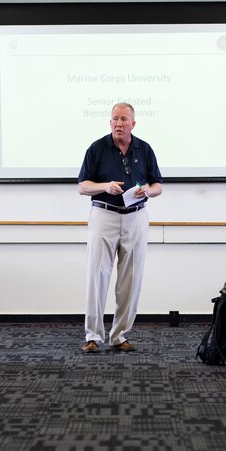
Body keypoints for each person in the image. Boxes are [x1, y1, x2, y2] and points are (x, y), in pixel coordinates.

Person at [77, 102, 163, 353]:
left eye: (124, 119)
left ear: (133, 124)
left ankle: (120, 335)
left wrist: (147, 190)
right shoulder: (97, 148)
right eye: (115, 119)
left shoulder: (144, 149)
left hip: (136, 216)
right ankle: (93, 335)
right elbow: (83, 186)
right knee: (97, 276)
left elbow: (158, 186)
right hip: (105, 215)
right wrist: (104, 186)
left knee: (131, 279)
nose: (118, 123)